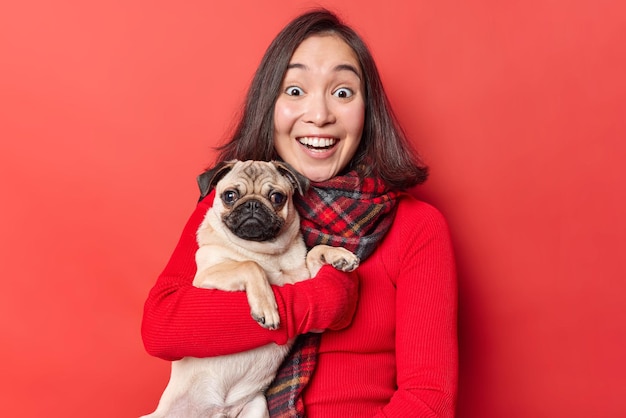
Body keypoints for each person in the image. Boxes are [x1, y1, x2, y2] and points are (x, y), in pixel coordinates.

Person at [142, 9, 458, 417]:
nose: (320, 114)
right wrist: (310, 302)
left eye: (342, 92)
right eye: (295, 91)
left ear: (369, 111)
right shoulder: (226, 209)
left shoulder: (418, 227)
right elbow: (162, 329)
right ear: (268, 104)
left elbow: (428, 398)